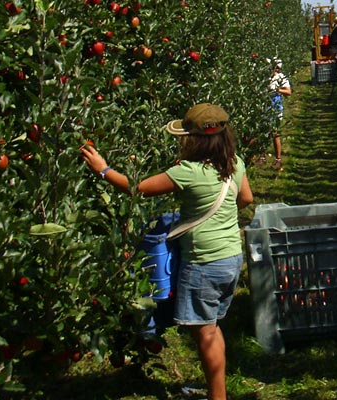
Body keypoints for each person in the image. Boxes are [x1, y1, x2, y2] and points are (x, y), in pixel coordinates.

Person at [80, 103, 254, 400]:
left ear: (194, 140)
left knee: (206, 332)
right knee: (212, 327)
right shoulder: (234, 163)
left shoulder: (186, 172)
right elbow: (247, 198)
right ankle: (217, 391)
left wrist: (103, 170)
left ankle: (218, 397)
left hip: (204, 263)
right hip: (230, 257)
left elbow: (136, 188)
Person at [268, 58, 292, 169]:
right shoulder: (264, 77)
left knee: (275, 133)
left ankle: (278, 159)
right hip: (263, 106)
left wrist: (277, 89)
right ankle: (262, 156)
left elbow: (288, 92)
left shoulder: (281, 77)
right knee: (261, 131)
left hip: (275, 107)